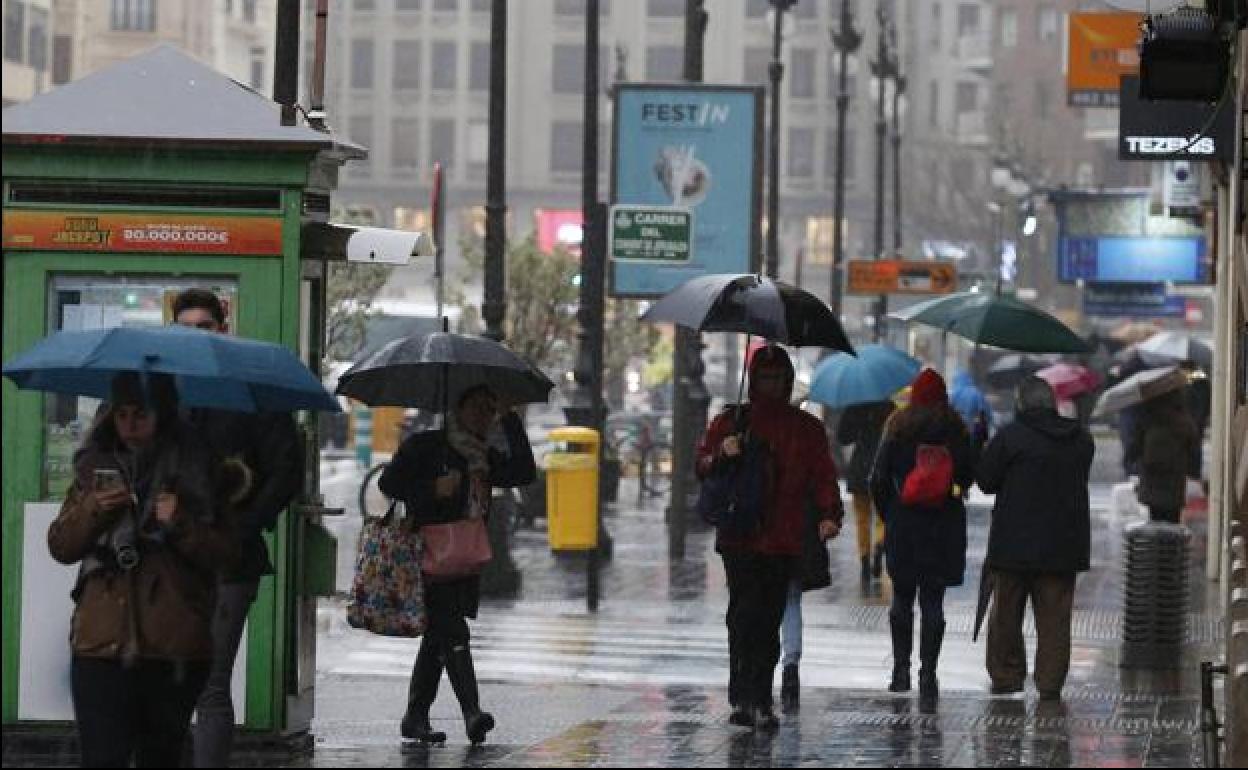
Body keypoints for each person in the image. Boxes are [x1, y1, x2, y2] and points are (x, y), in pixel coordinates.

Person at [48, 372, 239, 768]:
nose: (130, 426)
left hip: (173, 644)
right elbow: (62, 546)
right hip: (100, 641)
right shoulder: (94, 468)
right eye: (122, 415)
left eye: (141, 415)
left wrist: (180, 521)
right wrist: (96, 509)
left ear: (163, 414)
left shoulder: (198, 469)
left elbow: (226, 553)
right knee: (102, 757)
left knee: (162, 756)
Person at [173, 288, 304, 768]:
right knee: (165, 676)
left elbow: (286, 470)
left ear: (221, 329)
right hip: (171, 558)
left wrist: (244, 527)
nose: (195, 337)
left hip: (229, 558)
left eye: (203, 327)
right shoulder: (166, 393)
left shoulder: (252, 393)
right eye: (184, 328)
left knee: (210, 680)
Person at [380, 385, 536, 745]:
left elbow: (523, 472)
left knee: (438, 639)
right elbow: (391, 483)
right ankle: (472, 712)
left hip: (465, 558)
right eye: (478, 409)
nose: (484, 417)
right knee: (453, 634)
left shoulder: (482, 456)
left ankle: (415, 716)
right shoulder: (426, 446)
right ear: (459, 409)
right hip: (428, 557)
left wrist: (510, 418)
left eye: (489, 410)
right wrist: (434, 489)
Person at [697, 345, 843, 730]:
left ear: (788, 381)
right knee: (743, 616)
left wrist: (830, 515)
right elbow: (703, 465)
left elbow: (823, 475)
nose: (772, 385)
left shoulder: (806, 429)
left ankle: (759, 696)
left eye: (779, 378)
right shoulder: (732, 422)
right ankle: (743, 695)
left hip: (782, 537)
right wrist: (722, 454)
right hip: (740, 535)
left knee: (767, 618)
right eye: (765, 377)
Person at [976, 376, 1094, 701]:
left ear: (1021, 404)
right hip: (1063, 546)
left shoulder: (1010, 438)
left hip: (1012, 545)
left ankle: (1007, 676)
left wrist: (983, 444)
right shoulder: (1081, 439)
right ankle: (1050, 683)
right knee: (1055, 620)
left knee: (1005, 617)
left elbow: (985, 481)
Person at [870, 369, 973, 702]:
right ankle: (928, 672)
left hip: (905, 525)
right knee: (933, 601)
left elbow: (878, 479)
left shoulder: (898, 429)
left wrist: (891, 513)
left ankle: (900, 670)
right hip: (943, 527)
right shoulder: (956, 431)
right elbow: (970, 475)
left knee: (902, 598)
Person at [778, 495, 833, 713]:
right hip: (801, 531)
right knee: (791, 601)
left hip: (769, 531)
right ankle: (790, 667)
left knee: (768, 602)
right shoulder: (810, 460)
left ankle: (762, 671)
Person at [836, 400, 894, 584]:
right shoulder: (889, 407)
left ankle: (864, 559)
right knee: (882, 515)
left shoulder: (855, 406)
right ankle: (879, 543)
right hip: (882, 468)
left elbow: (843, 437)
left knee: (862, 518)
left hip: (859, 467)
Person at [1128, 388, 1200, 524]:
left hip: (1151, 481)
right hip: (1175, 482)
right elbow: (1193, 451)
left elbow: (1134, 447)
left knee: (1155, 521)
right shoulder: (1183, 421)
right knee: (1173, 523)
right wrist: (1193, 473)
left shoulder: (1147, 419)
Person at [950, 369, 994, 452]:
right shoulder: (977, 393)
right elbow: (985, 412)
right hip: (975, 433)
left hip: (957, 434)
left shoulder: (953, 395)